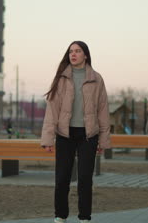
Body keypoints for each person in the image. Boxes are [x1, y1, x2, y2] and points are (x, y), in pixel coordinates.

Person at [41, 41, 111, 223]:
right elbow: (52, 110)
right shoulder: (61, 78)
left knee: (85, 179)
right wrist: (48, 139)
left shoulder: (97, 78)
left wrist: (103, 141)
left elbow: (103, 110)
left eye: (78, 51)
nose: (73, 54)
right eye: (71, 51)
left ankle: (84, 218)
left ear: (85, 55)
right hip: (65, 135)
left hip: (89, 136)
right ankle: (60, 216)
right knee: (62, 178)